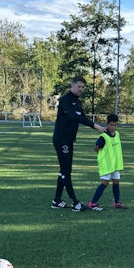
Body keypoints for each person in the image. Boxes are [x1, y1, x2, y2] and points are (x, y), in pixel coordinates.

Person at [51, 76, 105, 212]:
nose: (81, 89)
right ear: (73, 85)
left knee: (64, 170)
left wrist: (97, 127)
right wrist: (95, 125)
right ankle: (75, 202)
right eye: (79, 86)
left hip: (68, 140)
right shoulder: (65, 100)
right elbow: (74, 116)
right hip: (61, 139)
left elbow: (82, 117)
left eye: (83, 87)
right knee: (66, 171)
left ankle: (56, 200)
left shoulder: (77, 102)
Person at [88, 114, 128, 211]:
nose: (113, 127)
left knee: (116, 181)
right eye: (111, 125)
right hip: (106, 164)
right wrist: (103, 156)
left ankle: (117, 202)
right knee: (105, 183)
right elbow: (96, 148)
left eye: (115, 125)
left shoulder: (117, 134)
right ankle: (92, 203)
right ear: (107, 124)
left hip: (115, 164)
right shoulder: (103, 137)